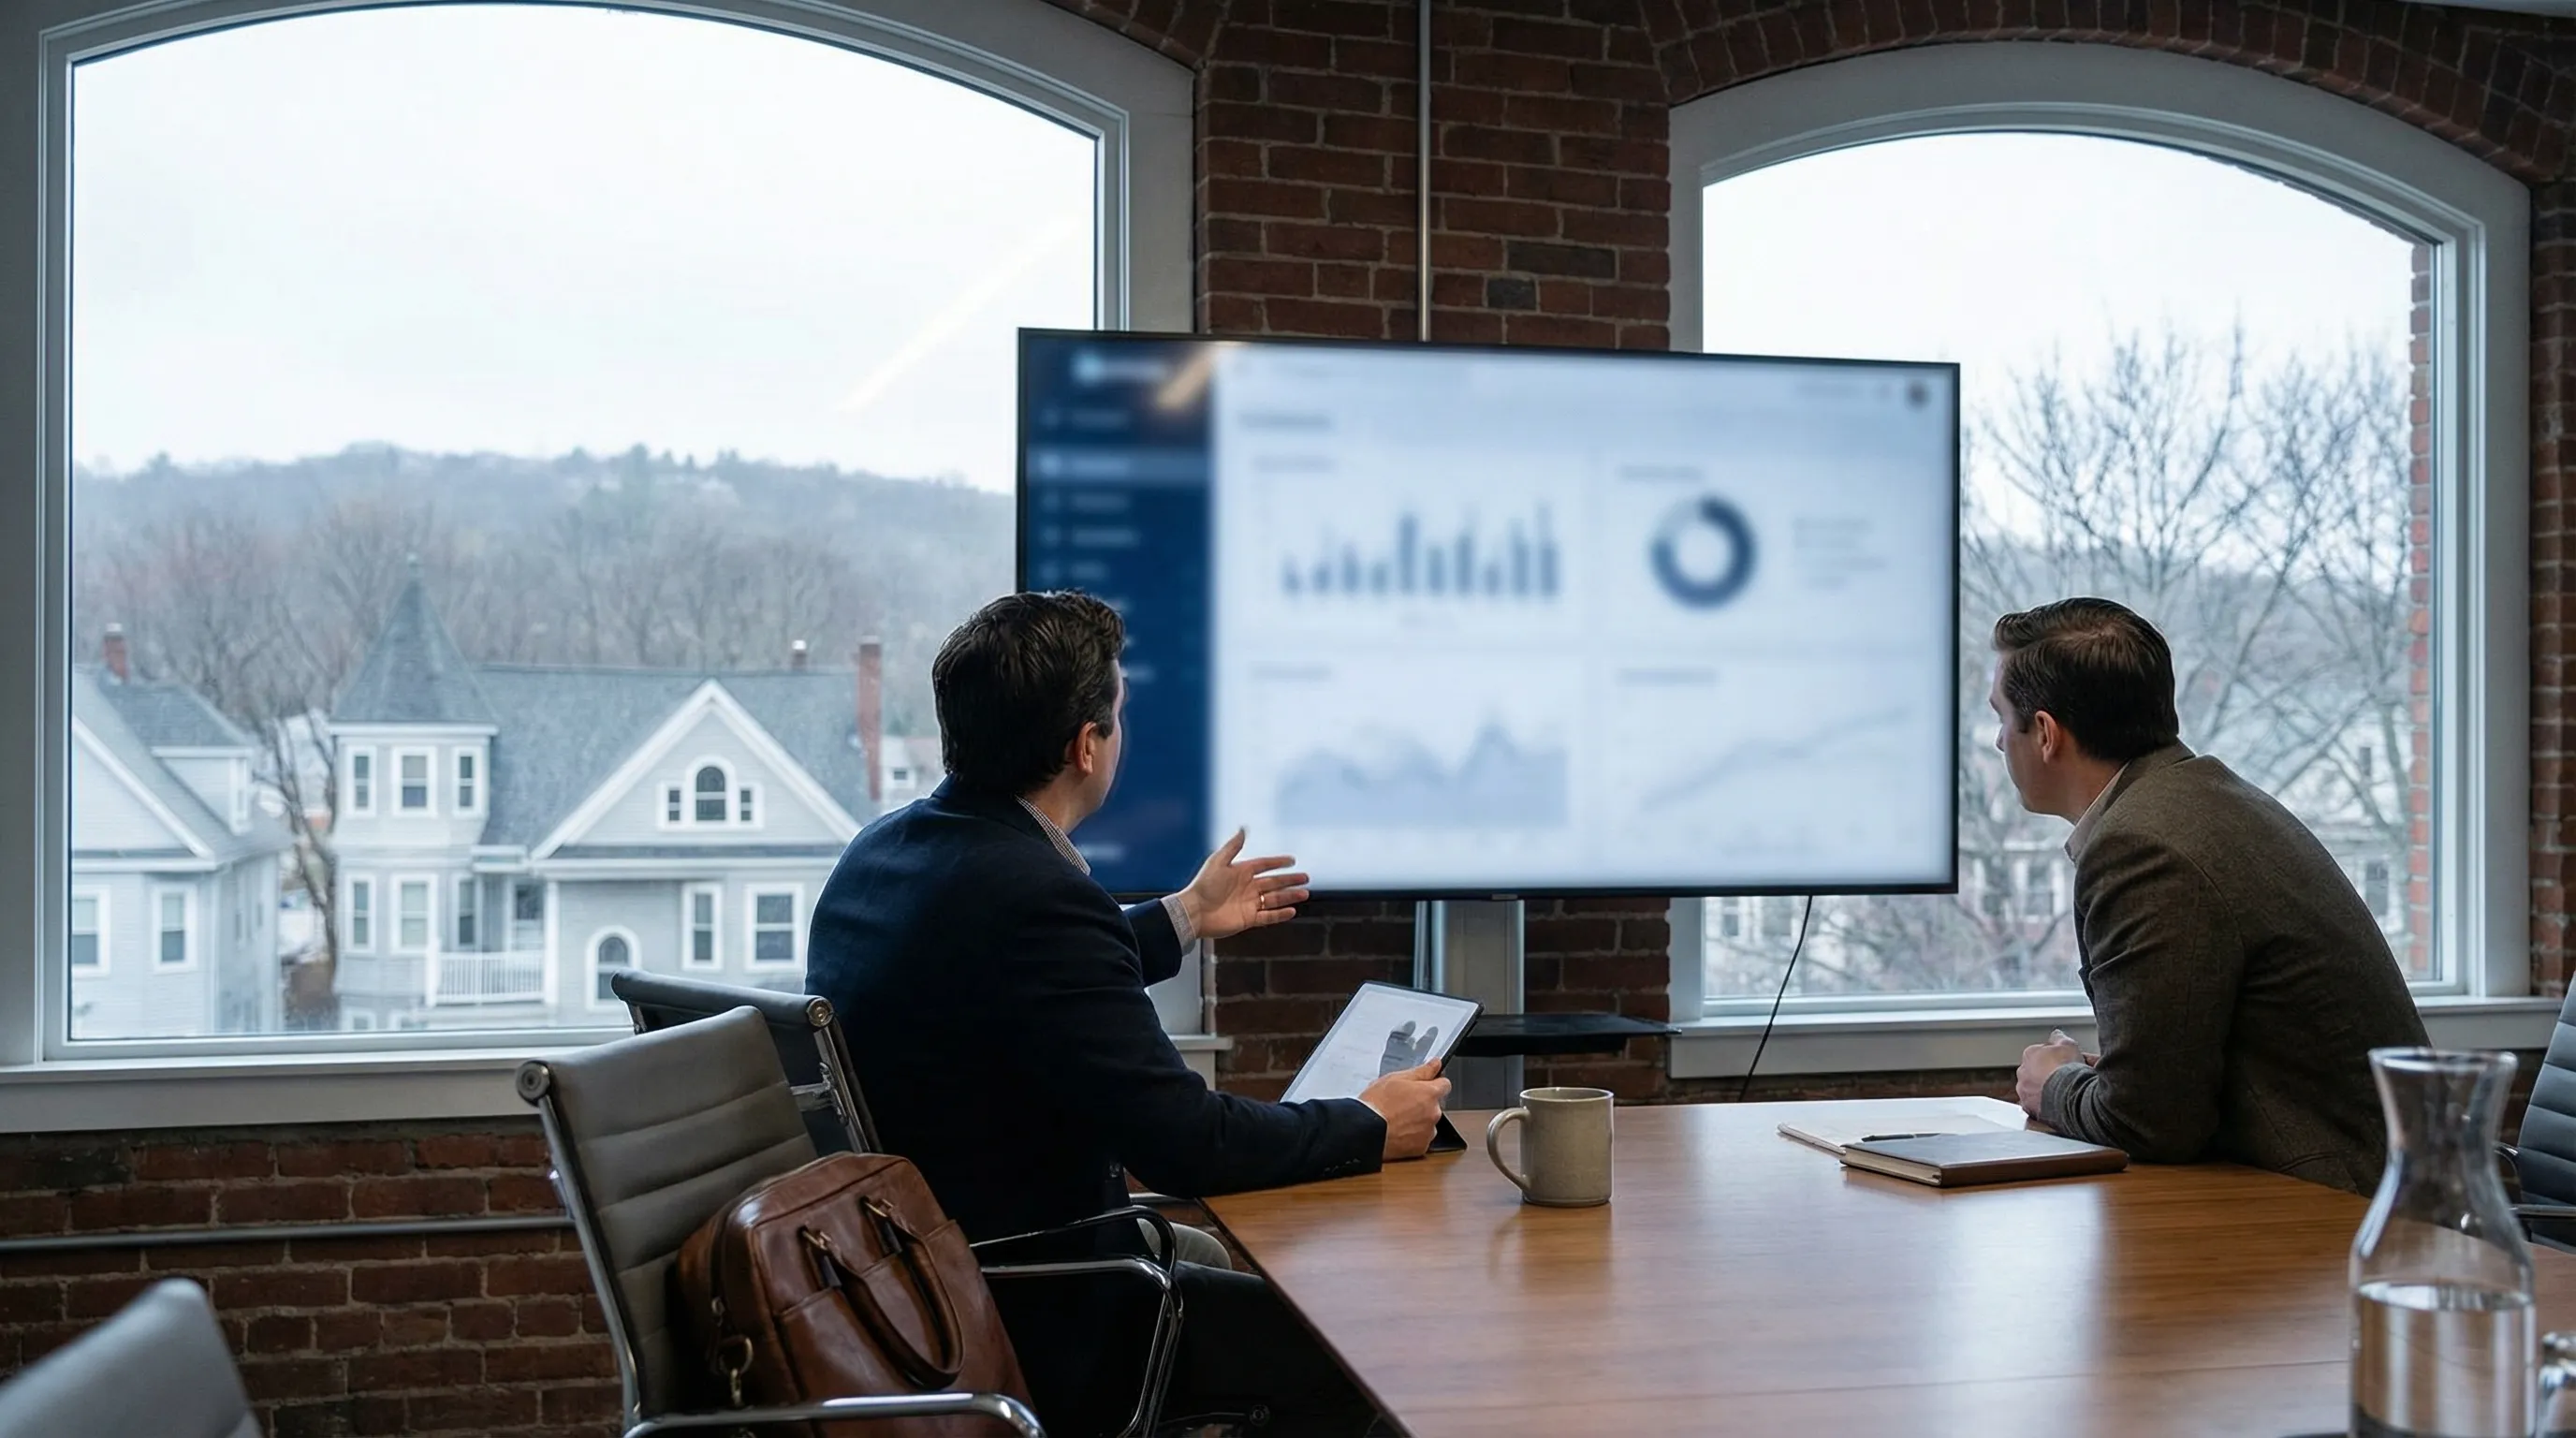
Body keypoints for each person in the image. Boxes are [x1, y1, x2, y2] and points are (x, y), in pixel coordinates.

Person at [806, 591, 1450, 1437]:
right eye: (1117, 714)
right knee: (1359, 1353)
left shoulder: (887, 852)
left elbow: (1017, 984)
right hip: (1039, 1308)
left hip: (911, 1284)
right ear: (1085, 746)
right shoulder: (1039, 899)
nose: (1121, 731)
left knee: (1236, 1273)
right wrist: (1368, 1125)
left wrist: (1184, 914)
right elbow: (1188, 1144)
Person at [1995, 597, 2426, 1194]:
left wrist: (2055, 1084)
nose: (1996, 742)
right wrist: (2111, 1084)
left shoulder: (2144, 846)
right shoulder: (2205, 799)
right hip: (2345, 1188)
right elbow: (2167, 1091)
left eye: (2001, 718)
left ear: (2044, 733)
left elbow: (2147, 1124)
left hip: (2337, 1218)